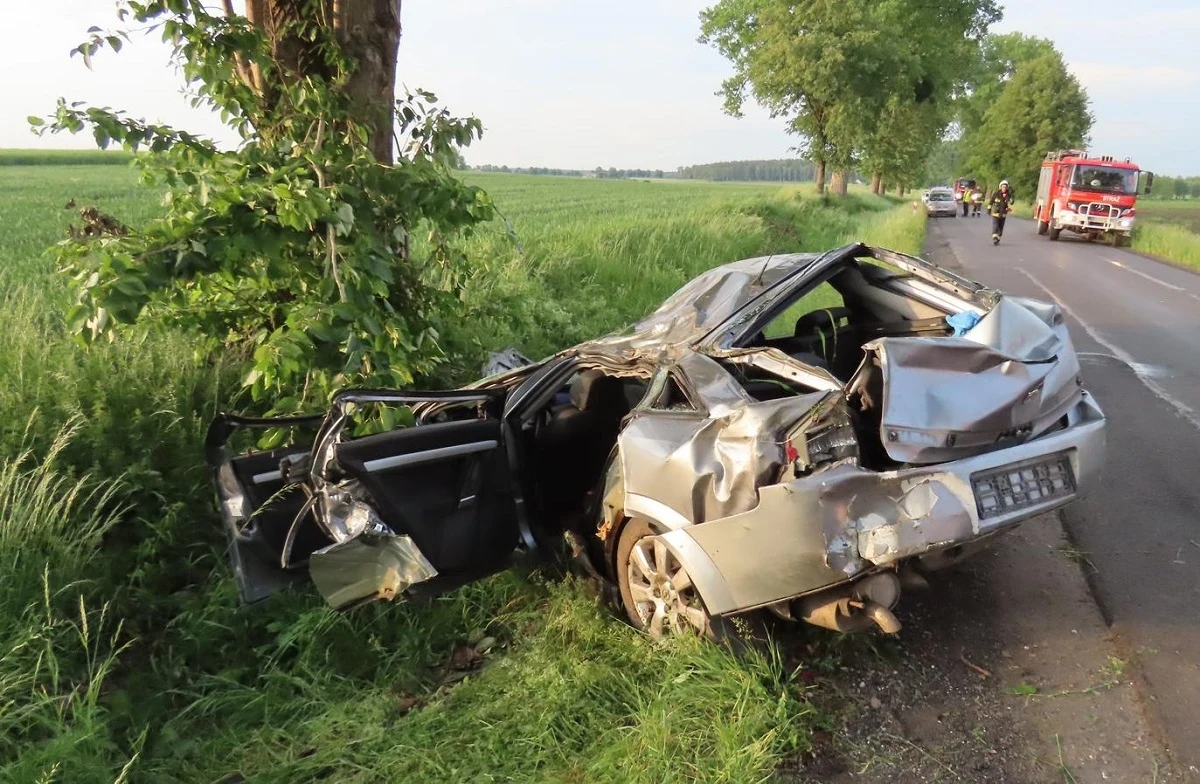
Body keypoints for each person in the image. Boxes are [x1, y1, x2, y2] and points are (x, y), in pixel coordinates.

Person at [989, 180, 1014, 245]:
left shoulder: (1008, 195)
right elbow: (991, 202)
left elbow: (1012, 202)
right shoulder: (996, 194)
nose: (1004, 188)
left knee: (1000, 227)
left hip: (1003, 214)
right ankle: (994, 238)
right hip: (996, 213)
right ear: (1000, 187)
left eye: (1005, 187)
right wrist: (989, 209)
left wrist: (1009, 199)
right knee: (995, 226)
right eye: (1003, 187)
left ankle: (998, 238)